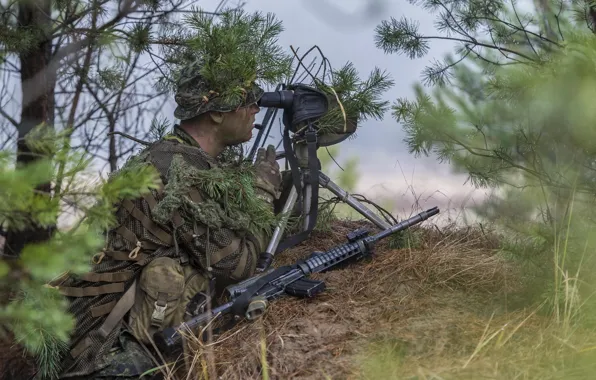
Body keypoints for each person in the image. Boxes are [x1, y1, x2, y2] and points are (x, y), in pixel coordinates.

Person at [54, 61, 283, 380]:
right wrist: (263, 190)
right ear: (216, 113)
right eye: (247, 101)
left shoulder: (164, 156)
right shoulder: (179, 175)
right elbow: (239, 266)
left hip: (79, 338)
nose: (256, 108)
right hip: (103, 358)